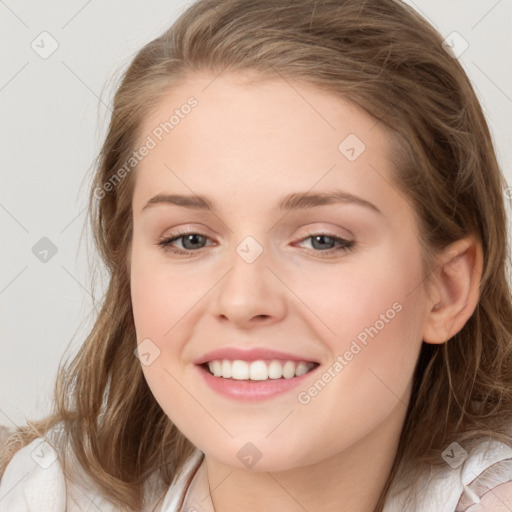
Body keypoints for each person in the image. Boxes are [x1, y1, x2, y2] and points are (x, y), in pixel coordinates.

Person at [1, 0, 512, 511]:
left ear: (446, 289)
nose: (243, 300)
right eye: (190, 240)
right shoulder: (44, 493)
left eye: (322, 240)